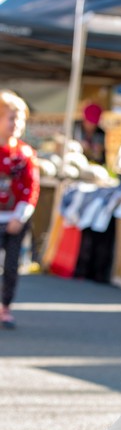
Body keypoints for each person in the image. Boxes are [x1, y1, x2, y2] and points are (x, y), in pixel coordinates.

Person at [0, 90, 40, 329]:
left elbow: (31, 187)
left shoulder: (25, 154)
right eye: (10, 118)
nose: (16, 124)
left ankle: (5, 306)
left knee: (12, 267)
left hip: (14, 218)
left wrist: (21, 215)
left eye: (20, 119)